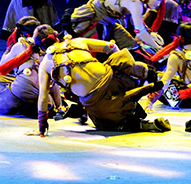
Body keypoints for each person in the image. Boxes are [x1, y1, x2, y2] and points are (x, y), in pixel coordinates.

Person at [34, 25, 170, 134]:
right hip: (115, 79)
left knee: (106, 124)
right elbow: (111, 47)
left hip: (96, 100)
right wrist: (122, 67)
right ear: (56, 36)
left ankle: (143, 123)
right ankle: (150, 75)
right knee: (120, 60)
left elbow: (43, 97)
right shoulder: (77, 41)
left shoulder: (45, 64)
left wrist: (42, 124)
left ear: (41, 47)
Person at [69, 0, 167, 52]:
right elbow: (139, 31)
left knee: (131, 45)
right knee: (98, 53)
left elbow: (135, 21)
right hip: (95, 21)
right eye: (158, 0)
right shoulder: (135, 2)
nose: (158, 4)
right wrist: (159, 49)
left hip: (110, 23)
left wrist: (150, 33)